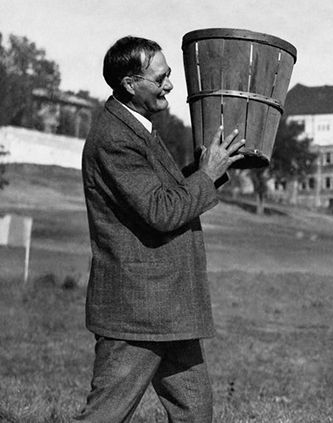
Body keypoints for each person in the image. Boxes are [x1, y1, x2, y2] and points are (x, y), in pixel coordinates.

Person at [76, 36, 244, 422]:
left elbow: (161, 196)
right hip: (136, 311)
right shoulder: (114, 138)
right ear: (130, 84)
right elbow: (161, 211)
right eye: (160, 78)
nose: (170, 85)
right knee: (104, 415)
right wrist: (206, 175)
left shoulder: (138, 128)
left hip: (168, 307)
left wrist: (209, 171)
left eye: (168, 75)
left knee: (195, 412)